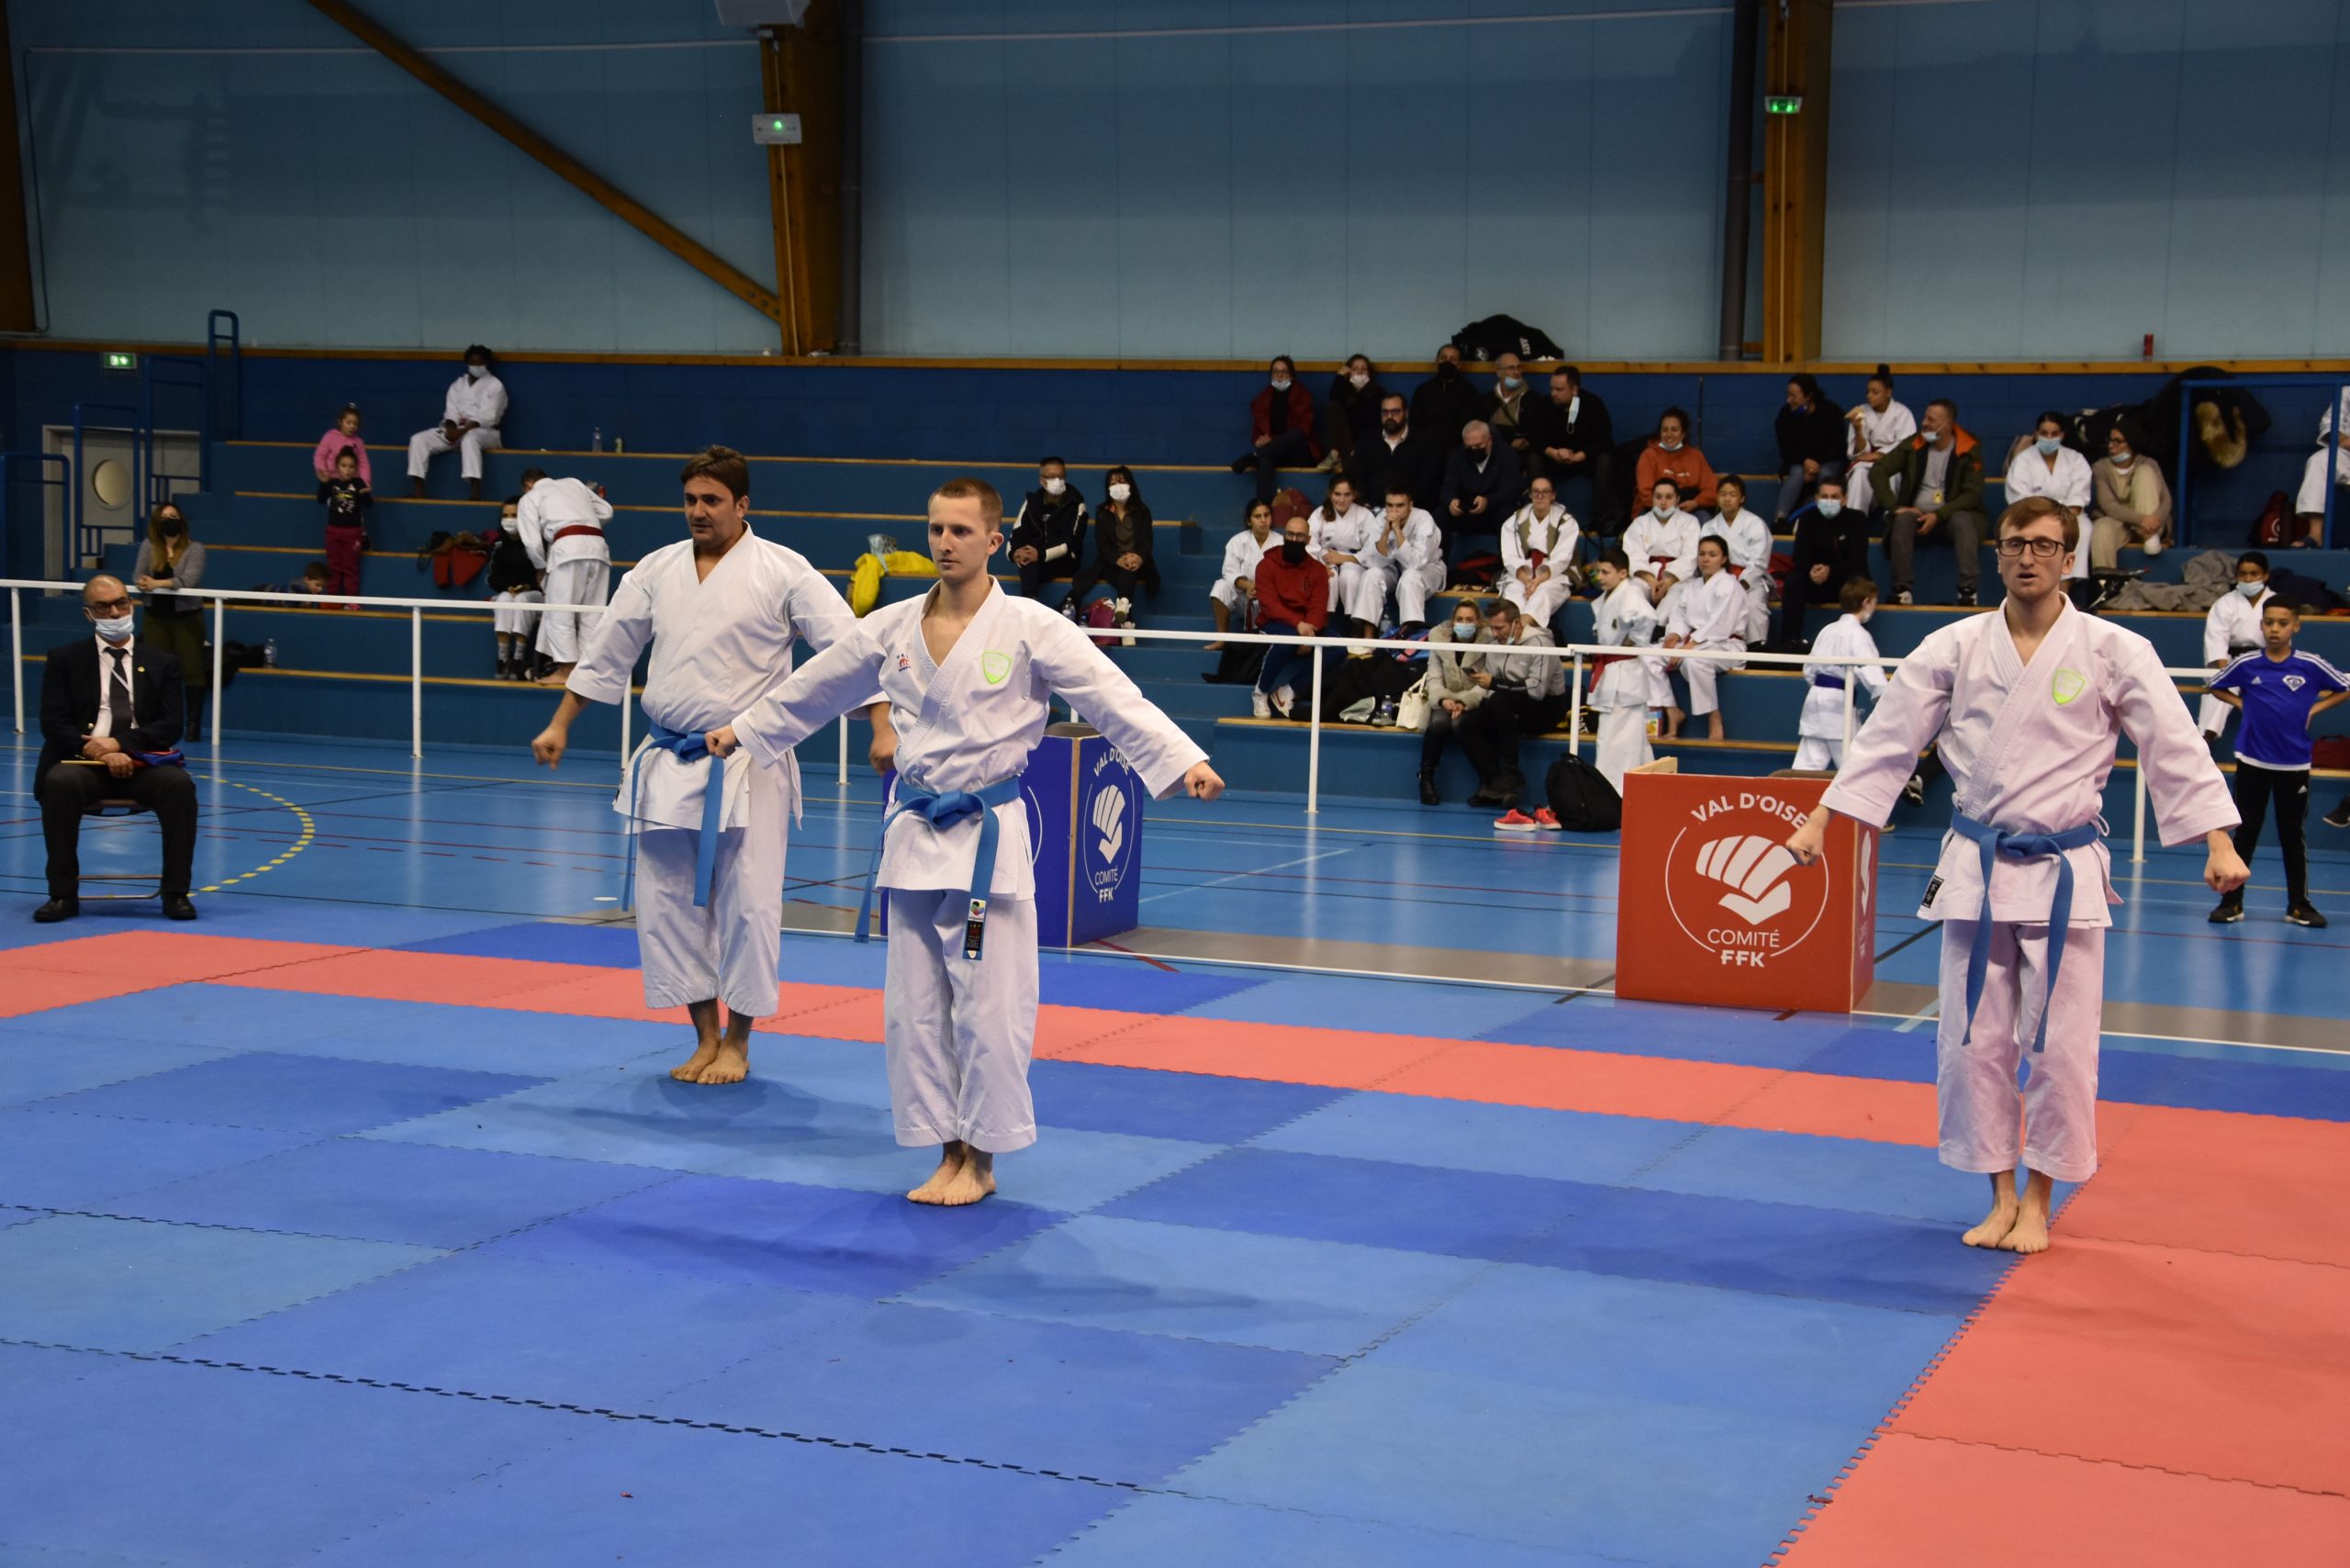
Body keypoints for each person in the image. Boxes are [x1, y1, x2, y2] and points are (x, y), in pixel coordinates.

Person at [704, 477, 1223, 1206]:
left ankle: (982, 1157)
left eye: (959, 530)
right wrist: (747, 729)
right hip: (914, 832)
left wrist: (1181, 760)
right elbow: (816, 685)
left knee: (989, 1007)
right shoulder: (892, 626)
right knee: (913, 1009)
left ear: (994, 541)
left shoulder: (1031, 626)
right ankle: (946, 1150)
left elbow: (1111, 696)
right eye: (935, 529)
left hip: (986, 841)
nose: (944, 542)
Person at [1785, 497, 2244, 1256]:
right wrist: (1821, 819)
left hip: (2066, 872)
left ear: (2069, 557)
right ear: (1997, 554)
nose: (2028, 557)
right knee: (1972, 1044)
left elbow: (2174, 745)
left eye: (2044, 545)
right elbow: (1887, 739)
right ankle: (1999, 1193)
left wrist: (2217, 841)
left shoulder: (2114, 648)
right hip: (1978, 867)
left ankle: (2039, 1199)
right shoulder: (1954, 645)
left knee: (2062, 1050)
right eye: (2014, 544)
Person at [531, 446, 882, 1088]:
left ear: (742, 505)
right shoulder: (656, 569)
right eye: (691, 500)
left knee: (750, 907)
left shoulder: (783, 569)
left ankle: (739, 1042)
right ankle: (704, 1036)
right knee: (667, 907)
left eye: (712, 501)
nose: (698, 511)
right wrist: (561, 722)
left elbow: (849, 650)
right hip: (669, 759)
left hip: (750, 762)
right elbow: (608, 650)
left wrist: (881, 726)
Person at [34, 576, 199, 924]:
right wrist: (101, 752)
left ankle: (176, 893)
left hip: (142, 764)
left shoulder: (163, 662)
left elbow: (171, 726)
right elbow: (54, 723)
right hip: (82, 763)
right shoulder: (64, 658)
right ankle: (62, 894)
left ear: (132, 604)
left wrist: (120, 744)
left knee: (179, 787)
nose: (114, 612)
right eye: (103, 606)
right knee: (59, 783)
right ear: (88, 614)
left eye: (121, 603)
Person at [2204, 599, 2347, 929]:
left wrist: (2313, 710)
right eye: (2269, 622)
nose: (2274, 629)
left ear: (2296, 626)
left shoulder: (2310, 664)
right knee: (2246, 832)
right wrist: (2243, 703)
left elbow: (2344, 687)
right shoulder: (2248, 663)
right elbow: (2215, 685)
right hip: (2252, 760)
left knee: (2292, 835)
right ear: (2262, 626)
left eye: (2282, 623)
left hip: (2294, 764)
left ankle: (2299, 905)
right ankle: (2231, 902)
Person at [1878, 398, 1987, 607]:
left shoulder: (1969, 449)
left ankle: (1968, 590)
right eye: (1925, 417)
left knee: (1963, 520)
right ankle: (1902, 590)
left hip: (1950, 517)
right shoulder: (1913, 445)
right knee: (1902, 519)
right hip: (1917, 516)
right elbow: (1879, 470)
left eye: (1931, 419)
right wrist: (1894, 507)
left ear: (1948, 424)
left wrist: (1938, 515)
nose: (1924, 423)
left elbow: (1972, 495)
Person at [1460, 598, 1564, 813]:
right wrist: (1465, 702)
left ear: (1516, 623)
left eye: (1500, 628)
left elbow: (1537, 690)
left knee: (1500, 700)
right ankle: (1495, 782)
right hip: (1507, 705)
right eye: (1492, 628)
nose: (1495, 634)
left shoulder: (1540, 644)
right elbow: (1490, 688)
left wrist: (1495, 684)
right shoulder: (1494, 645)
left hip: (1545, 707)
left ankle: (1512, 773)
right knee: (1467, 723)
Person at [516, 468, 613, 688]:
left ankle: (567, 670)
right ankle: (588, 670)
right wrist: (582, 521)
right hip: (598, 547)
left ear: (527, 485)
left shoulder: (530, 497)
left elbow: (532, 542)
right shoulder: (573, 482)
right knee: (592, 612)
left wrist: (540, 567)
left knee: (560, 611)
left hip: (567, 549)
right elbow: (606, 511)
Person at [129, 501, 209, 743]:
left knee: (192, 670)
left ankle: (193, 723)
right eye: (164, 517)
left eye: (174, 516)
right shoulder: (149, 546)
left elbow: (189, 580)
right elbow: (137, 576)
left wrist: (157, 583)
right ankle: (155, 719)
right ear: (157, 522)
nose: (169, 520)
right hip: (155, 616)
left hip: (187, 617)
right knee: (155, 670)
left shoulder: (195, 548)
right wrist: (144, 583)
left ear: (181, 521)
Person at [1793, 578, 1888, 770]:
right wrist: (1887, 702)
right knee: (1854, 769)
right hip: (1838, 707)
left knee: (1806, 768)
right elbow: (1872, 673)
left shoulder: (1827, 630)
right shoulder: (1859, 634)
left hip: (1815, 701)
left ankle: (1793, 791)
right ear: (1866, 602)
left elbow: (1809, 670)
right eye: (1874, 602)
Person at [1660, 536, 1745, 741]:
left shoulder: (1729, 585)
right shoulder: (1693, 586)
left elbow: (1720, 623)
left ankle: (1713, 716)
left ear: (1724, 559)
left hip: (1725, 645)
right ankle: (1672, 711)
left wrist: (1690, 645)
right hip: (1692, 643)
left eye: (1712, 555)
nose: (1705, 559)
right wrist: (1674, 635)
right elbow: (1679, 614)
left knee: (1693, 662)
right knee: (1648, 657)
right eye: (1702, 554)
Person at [1586, 550, 1658, 790]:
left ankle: (1616, 791)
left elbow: (1647, 618)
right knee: (1627, 738)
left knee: (1618, 738)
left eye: (1605, 572)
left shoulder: (1630, 593)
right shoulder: (1609, 597)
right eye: (1598, 572)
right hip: (1613, 671)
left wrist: (1631, 642)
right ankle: (1643, 788)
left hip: (1625, 673)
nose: (1600, 577)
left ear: (1623, 573)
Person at [1251, 510, 1329, 719]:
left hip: (1306, 626)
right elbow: (1269, 605)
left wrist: (1309, 631)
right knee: (1288, 639)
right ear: (1284, 535)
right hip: (1273, 622)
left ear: (1308, 540)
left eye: (1299, 536)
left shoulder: (1317, 570)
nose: (1294, 539)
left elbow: (1318, 605)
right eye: (1290, 534)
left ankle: (1287, 692)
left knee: (1338, 647)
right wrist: (1299, 626)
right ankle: (1260, 692)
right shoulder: (1266, 566)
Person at [2004, 410, 2095, 588]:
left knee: (2084, 528)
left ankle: (2064, 589)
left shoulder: (2075, 459)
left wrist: (2058, 519)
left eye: (2054, 433)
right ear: (2036, 434)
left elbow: (2078, 499)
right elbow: (2020, 501)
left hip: (2069, 517)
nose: (2049, 438)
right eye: (2044, 433)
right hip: (2031, 517)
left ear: (2062, 435)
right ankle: (2036, 586)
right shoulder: (2022, 461)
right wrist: (2045, 518)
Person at [407, 345, 506, 500]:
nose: (477, 366)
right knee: (418, 439)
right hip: (456, 429)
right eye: (473, 363)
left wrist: (462, 431)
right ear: (467, 363)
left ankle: (474, 493)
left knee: (470, 438)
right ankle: (418, 491)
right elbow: (451, 411)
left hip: (486, 432)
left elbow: (487, 416)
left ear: (487, 363)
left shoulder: (495, 385)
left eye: (480, 363)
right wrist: (451, 428)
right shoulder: (458, 384)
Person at [1416, 598, 1491, 803]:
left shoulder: (1489, 641)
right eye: (1460, 619)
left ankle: (1487, 781)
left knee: (1460, 724)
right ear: (1453, 621)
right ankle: (1426, 778)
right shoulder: (1438, 639)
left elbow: (1487, 681)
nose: (1464, 624)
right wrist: (1442, 700)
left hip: (1476, 699)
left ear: (1478, 622)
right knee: (1438, 723)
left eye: (1469, 620)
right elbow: (1434, 678)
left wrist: (1466, 702)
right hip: (1446, 696)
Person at [1066, 465, 1157, 630]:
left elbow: (1147, 542)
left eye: (1122, 482)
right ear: (1108, 488)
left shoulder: (1142, 511)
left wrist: (1138, 557)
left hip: (1139, 563)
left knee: (1129, 570)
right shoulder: (1103, 512)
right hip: (1112, 562)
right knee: (1125, 570)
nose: (1118, 486)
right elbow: (1102, 545)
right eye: (1113, 483)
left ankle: (1124, 609)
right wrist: (1118, 559)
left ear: (1130, 484)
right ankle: (1126, 619)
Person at [1779, 474, 1864, 648]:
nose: (1829, 501)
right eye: (1825, 496)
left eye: (1834, 497)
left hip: (1843, 579)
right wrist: (1811, 569)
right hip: (1814, 579)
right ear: (1817, 498)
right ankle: (1790, 641)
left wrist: (1830, 571)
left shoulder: (1857, 519)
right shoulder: (1807, 518)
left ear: (1844, 499)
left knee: (1858, 581)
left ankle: (1854, 642)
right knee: (1794, 580)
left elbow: (1858, 559)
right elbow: (1799, 555)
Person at [1529, 366, 1617, 528]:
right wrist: (1553, 452)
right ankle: (1541, 512)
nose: (1553, 393)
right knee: (1533, 459)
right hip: (1555, 459)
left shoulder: (1593, 404)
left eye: (1559, 389)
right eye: (1552, 388)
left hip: (1584, 459)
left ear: (1574, 389)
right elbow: (1535, 438)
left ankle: (1600, 517)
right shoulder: (1544, 405)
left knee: (1606, 459)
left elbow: (1603, 440)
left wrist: (1579, 456)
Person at [2199, 552, 2274, 741]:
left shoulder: (2275, 603)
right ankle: (2204, 741)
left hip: (2264, 662)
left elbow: (2280, 642)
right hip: (2231, 662)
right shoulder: (2225, 603)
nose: (2248, 579)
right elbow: (2217, 641)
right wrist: (2226, 672)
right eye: (2243, 574)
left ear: (2265, 575)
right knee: (2219, 690)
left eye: (2254, 574)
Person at [2087, 419, 2173, 571]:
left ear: (2131, 443)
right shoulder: (2101, 467)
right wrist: (2141, 519)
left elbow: (2166, 500)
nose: (2111, 445)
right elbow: (2108, 505)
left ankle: (2150, 536)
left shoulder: (2148, 463)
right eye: (2110, 440)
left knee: (2145, 473)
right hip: (2118, 521)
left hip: (2148, 526)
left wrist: (2153, 521)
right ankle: (2105, 581)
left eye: (2117, 441)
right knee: (2101, 528)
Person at [1230, 355, 1318, 504]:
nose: (1279, 376)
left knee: (1296, 434)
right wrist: (1259, 440)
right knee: (1264, 461)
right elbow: (1256, 431)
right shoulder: (1263, 400)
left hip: (1299, 452)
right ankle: (1264, 509)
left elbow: (1304, 430)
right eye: (1276, 372)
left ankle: (1253, 456)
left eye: (1284, 372)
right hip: (1274, 452)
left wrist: (1272, 442)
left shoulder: (1303, 396)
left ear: (1292, 375)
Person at [1498, 476, 1581, 632]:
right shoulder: (1515, 520)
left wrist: (1537, 582)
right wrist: (1527, 581)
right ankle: (1514, 634)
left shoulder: (1567, 522)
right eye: (1536, 492)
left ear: (1553, 495)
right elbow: (1510, 557)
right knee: (1514, 595)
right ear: (1530, 495)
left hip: (1555, 574)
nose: (1540, 496)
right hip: (1522, 573)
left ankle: (1518, 633)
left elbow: (1562, 559)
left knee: (1543, 593)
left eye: (1545, 492)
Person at [1697, 473, 1772, 644]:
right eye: (1723, 494)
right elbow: (1704, 556)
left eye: (1732, 494)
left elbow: (1759, 561)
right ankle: (1711, 644)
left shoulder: (1755, 524)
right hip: (1717, 578)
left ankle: (1756, 646)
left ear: (1742, 498)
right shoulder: (1709, 527)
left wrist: (1741, 584)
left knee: (1753, 605)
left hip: (1749, 581)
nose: (1727, 499)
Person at [1366, 484, 1446, 635]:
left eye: (1400, 505)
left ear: (1410, 506)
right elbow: (1374, 561)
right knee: (1371, 574)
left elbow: (1416, 563)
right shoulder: (1381, 518)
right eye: (1390, 505)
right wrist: (1385, 533)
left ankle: (1410, 632)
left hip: (1427, 570)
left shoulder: (1424, 519)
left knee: (1410, 576)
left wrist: (1397, 531)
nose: (1394, 511)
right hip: (1396, 570)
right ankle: (1367, 636)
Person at [1439, 420, 1522, 563]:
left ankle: (1508, 566)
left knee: (1507, 515)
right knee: (1440, 515)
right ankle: (1439, 568)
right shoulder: (1457, 456)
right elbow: (1447, 487)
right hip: (1465, 512)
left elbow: (1511, 491)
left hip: (1494, 510)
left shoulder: (1507, 454)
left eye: (1478, 446)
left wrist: (1488, 501)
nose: (1474, 450)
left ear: (1489, 440)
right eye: (1469, 447)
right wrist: (1451, 501)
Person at [1008, 457, 1087, 605]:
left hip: (1064, 561)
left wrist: (1041, 554)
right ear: (1042, 480)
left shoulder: (1076, 503)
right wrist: (1015, 554)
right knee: (1027, 561)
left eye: (1060, 476)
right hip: (1036, 558)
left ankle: (1030, 605)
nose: (1057, 480)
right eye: (1051, 477)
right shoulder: (1033, 501)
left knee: (1030, 563)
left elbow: (1071, 543)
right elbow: (1017, 532)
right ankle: (1030, 604)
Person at [1306, 476, 1380, 633]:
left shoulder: (1364, 515)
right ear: (1330, 494)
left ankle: (1355, 627)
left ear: (1354, 495)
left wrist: (1346, 558)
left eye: (1347, 495)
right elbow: (1310, 544)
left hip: (1354, 559)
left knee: (1350, 577)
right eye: (1337, 494)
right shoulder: (1320, 513)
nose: (1342, 499)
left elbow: (1373, 548)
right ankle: (1322, 625)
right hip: (1325, 558)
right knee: (1328, 578)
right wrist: (1318, 565)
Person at [1774, 373, 1847, 523]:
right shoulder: (1785, 415)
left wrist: (1815, 465)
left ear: (1808, 396)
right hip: (1800, 462)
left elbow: (1838, 447)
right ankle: (1780, 519)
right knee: (1796, 472)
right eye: (1788, 395)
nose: (1789, 400)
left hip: (1830, 460)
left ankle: (1824, 519)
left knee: (1825, 473)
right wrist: (1804, 461)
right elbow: (1786, 450)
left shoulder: (1831, 412)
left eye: (1793, 396)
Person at [1843, 366, 1915, 516]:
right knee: (1859, 474)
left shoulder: (1903, 413)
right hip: (1866, 462)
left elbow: (1907, 445)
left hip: (1892, 462)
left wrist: (1879, 455)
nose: (1869, 396)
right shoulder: (1861, 411)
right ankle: (1854, 518)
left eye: (1875, 392)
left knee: (1891, 476)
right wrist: (1858, 429)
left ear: (1888, 392)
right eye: (1868, 392)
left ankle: (1891, 517)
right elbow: (1858, 453)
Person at [487, 495, 543, 680]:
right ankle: (503, 658)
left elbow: (544, 574)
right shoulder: (499, 546)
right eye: (506, 515)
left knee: (522, 599)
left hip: (536, 595)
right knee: (503, 598)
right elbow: (493, 578)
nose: (509, 520)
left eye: (514, 515)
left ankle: (519, 657)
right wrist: (508, 586)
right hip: (510, 593)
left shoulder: (536, 542)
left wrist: (528, 586)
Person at [1354, 392, 1439, 513]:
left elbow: (1428, 481)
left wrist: (1407, 505)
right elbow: (1358, 476)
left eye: (1395, 412)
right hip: (1372, 510)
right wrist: (1365, 502)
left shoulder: (1425, 441)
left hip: (1412, 510)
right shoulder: (1367, 440)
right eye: (1385, 412)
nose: (1389, 416)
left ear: (1406, 413)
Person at [1206, 499, 1274, 651]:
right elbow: (1229, 572)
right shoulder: (1237, 541)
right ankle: (1222, 638)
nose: (1263, 520)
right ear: (1249, 521)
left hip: (1270, 601)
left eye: (1266, 515)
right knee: (1220, 587)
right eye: (1257, 516)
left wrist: (1263, 590)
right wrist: (1247, 585)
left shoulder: (1281, 542)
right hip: (1244, 598)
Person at [1622, 477, 1699, 609]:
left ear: (1678, 499)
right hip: (1646, 575)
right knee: (1631, 591)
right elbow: (1632, 554)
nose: (1663, 502)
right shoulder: (1640, 523)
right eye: (1658, 497)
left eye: (1669, 497)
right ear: (1652, 498)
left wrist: (1669, 581)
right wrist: (1651, 580)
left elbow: (1690, 555)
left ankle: (1659, 623)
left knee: (1675, 596)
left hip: (1678, 578)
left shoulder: (1690, 522)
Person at [1633, 407, 1718, 513]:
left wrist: (1696, 502)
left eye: (1674, 430)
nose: (1669, 435)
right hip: (1654, 508)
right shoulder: (1649, 455)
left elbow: (1712, 489)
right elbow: (1645, 493)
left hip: (1689, 509)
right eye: (1665, 430)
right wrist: (1669, 507)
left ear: (1683, 433)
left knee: (1705, 520)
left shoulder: (1696, 456)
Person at [2294, 386, 2350, 544]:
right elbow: (2329, 423)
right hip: (2348, 453)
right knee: (2319, 460)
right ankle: (2315, 535)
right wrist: (2343, 439)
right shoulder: (2347, 391)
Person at [315, 447, 371, 604]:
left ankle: (351, 601)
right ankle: (332, 601)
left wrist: (365, 494)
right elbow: (320, 500)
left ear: (356, 469)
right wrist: (323, 484)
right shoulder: (332, 483)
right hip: (333, 532)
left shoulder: (358, 483)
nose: (347, 470)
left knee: (350, 568)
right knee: (334, 567)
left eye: (351, 466)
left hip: (353, 533)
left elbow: (369, 504)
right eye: (344, 466)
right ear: (337, 467)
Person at [1409, 344, 1481, 455]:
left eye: (1453, 359)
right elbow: (1415, 425)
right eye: (1443, 358)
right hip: (1427, 450)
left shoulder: (1469, 392)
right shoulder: (1423, 390)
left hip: (1459, 451)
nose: (1447, 362)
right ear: (1436, 361)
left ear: (1459, 365)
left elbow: (1473, 426)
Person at [1322, 353, 1388, 474]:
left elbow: (1374, 426)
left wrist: (1359, 448)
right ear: (1349, 372)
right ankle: (1334, 454)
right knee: (1333, 406)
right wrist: (1340, 376)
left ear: (1369, 373)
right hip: (1345, 444)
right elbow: (1333, 398)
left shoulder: (1378, 393)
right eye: (1355, 369)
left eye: (1364, 369)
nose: (1360, 372)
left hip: (1366, 446)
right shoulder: (1344, 392)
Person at [1485, 352, 1539, 472]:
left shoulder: (1532, 399)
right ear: (1499, 372)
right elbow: (1483, 430)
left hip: (1522, 453)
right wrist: (1510, 441)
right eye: (1511, 368)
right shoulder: (1487, 400)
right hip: (1492, 450)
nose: (1516, 372)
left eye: (1519, 367)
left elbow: (1530, 430)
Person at [312, 403, 371, 487]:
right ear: (340, 422)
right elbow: (320, 455)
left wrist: (365, 482)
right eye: (348, 423)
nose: (352, 426)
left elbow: (364, 464)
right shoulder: (330, 436)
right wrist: (322, 471)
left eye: (355, 424)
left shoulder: (359, 442)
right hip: (330, 479)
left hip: (351, 481)